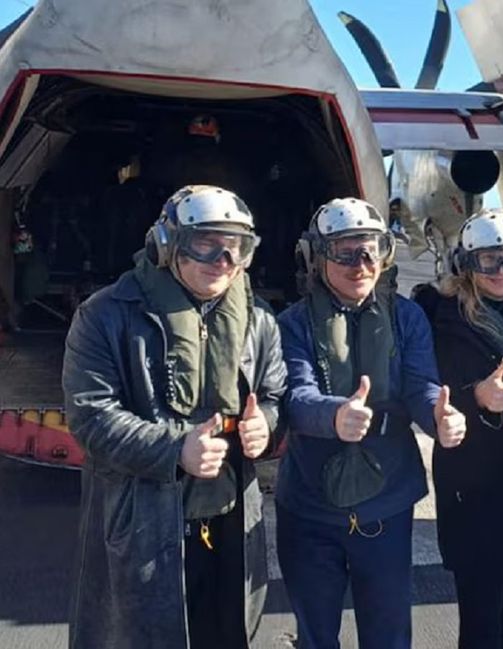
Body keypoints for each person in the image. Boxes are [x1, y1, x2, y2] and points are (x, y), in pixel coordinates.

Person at [62, 185, 287, 649]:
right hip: (144, 522)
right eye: (205, 242)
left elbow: (274, 393)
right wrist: (175, 449)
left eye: (236, 247)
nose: (222, 260)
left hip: (229, 521)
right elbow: (91, 416)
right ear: (168, 244)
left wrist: (265, 421)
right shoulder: (105, 315)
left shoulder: (259, 320)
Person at [276, 197, 467, 649]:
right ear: (317, 258)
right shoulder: (293, 324)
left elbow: (421, 385)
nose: (360, 264)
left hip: (386, 502)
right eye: (345, 252)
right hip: (309, 508)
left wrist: (439, 415)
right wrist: (334, 416)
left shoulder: (407, 317)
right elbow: (295, 397)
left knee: (387, 635)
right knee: (315, 635)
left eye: (371, 250)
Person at [413, 209, 503, 648]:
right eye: (488, 261)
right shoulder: (442, 316)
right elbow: (428, 386)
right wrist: (475, 396)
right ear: (466, 266)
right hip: (474, 487)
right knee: (480, 616)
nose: (502, 271)